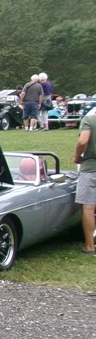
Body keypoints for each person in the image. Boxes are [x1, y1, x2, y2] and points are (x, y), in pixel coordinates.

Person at [75, 108, 96, 254]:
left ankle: (90, 247)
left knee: (88, 207)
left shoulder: (89, 120)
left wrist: (77, 156)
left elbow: (83, 141)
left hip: (91, 167)